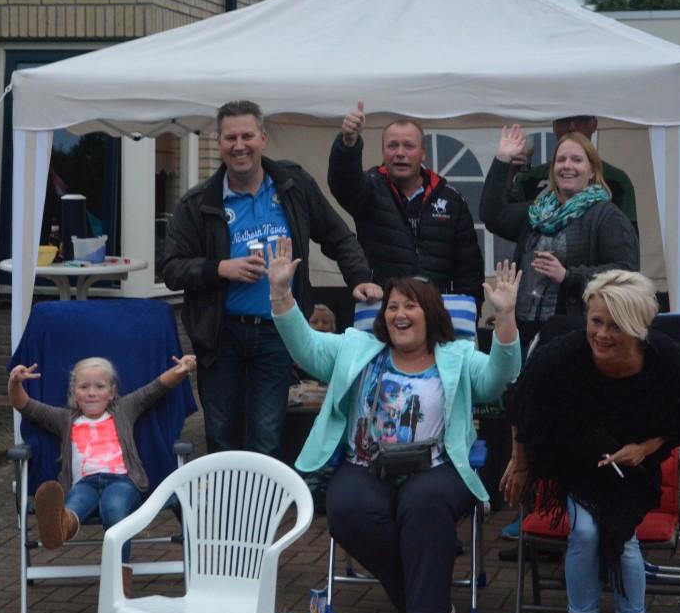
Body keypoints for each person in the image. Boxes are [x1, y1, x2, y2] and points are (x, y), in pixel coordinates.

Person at [268, 237, 522, 613]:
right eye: (392, 307)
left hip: (436, 468)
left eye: (410, 306)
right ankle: (434, 603)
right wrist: (280, 293)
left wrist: (505, 316)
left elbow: (500, 377)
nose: (399, 314)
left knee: (424, 507)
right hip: (366, 465)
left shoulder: (458, 357)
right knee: (346, 510)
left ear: (431, 314)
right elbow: (305, 347)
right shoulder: (356, 349)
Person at [502, 270, 680, 613]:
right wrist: (520, 463)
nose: (602, 334)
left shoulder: (667, 360)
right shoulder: (563, 355)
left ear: (637, 326)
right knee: (585, 532)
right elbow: (521, 403)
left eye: (615, 326)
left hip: (634, 469)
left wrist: (644, 449)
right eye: (595, 322)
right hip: (576, 461)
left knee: (620, 535)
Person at [159, 99, 381, 458]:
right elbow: (170, 268)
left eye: (247, 136)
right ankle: (227, 497)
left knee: (268, 435)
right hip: (221, 335)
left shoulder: (293, 185)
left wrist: (358, 277)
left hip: (278, 331)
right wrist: (221, 268)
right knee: (221, 437)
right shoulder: (197, 202)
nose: (239, 146)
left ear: (263, 138)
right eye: (230, 138)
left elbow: (338, 236)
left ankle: (263, 497)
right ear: (219, 143)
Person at [8, 353, 197, 597]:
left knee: (114, 506)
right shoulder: (65, 419)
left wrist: (182, 369)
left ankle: (119, 581)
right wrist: (15, 381)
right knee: (74, 503)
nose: (92, 393)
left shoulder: (124, 409)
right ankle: (61, 525)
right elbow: (25, 405)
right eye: (84, 387)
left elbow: (156, 388)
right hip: (84, 483)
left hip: (122, 481)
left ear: (112, 391)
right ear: (74, 392)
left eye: (99, 387)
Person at [481, 125, 640, 356]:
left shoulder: (607, 216)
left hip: (573, 336)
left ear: (592, 171)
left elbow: (627, 271)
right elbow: (493, 215)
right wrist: (503, 160)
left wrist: (568, 276)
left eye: (577, 160)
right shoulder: (538, 212)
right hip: (523, 331)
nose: (567, 165)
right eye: (561, 160)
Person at [327, 101, 484, 302]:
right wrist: (348, 143)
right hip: (380, 306)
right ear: (383, 152)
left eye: (408, 146)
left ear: (423, 153)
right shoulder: (368, 188)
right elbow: (343, 185)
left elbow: (469, 268)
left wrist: (470, 310)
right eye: (392, 146)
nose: (400, 153)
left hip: (435, 309)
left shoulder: (450, 199)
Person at [507, 116, 637, 223]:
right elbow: (504, 220)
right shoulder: (529, 178)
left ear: (594, 124)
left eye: (581, 119)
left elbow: (627, 239)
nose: (572, 127)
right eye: (564, 120)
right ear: (554, 125)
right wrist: (507, 169)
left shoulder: (616, 180)